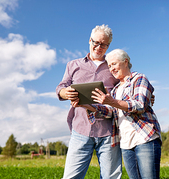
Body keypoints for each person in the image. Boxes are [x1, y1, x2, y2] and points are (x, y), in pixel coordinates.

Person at [72, 49, 162, 179]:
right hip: (125, 143)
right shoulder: (115, 90)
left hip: (144, 138)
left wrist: (112, 101)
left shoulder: (139, 79)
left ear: (125, 62)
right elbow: (110, 112)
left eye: (114, 64)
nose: (111, 69)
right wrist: (84, 105)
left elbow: (139, 105)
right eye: (109, 66)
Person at [56, 24, 122, 179]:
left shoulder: (113, 67)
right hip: (81, 129)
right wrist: (66, 93)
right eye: (95, 42)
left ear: (108, 46)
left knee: (111, 177)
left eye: (103, 44)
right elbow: (61, 87)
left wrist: (148, 95)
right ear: (89, 40)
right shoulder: (73, 65)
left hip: (108, 131)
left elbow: (127, 84)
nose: (98, 47)